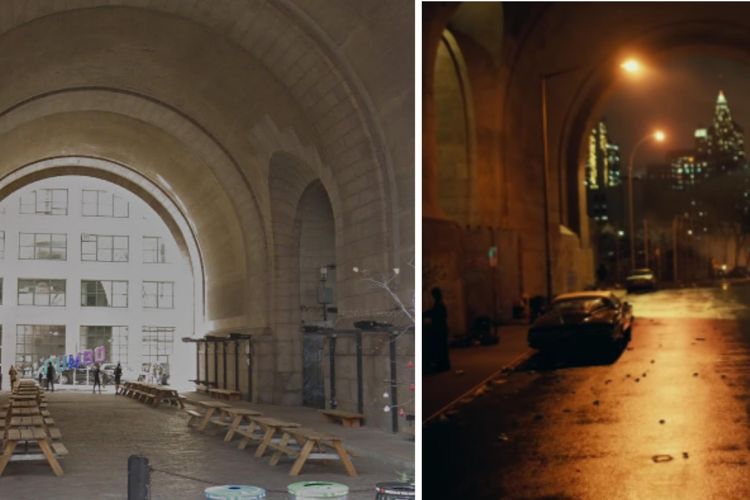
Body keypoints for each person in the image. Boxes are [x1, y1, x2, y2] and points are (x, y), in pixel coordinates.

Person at [424, 287, 450, 373]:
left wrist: (425, 314)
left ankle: (443, 365)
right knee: (441, 347)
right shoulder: (439, 303)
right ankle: (443, 364)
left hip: (440, 328)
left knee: (441, 347)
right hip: (441, 327)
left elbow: (436, 314)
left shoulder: (439, 303)